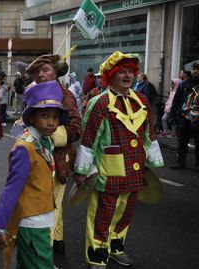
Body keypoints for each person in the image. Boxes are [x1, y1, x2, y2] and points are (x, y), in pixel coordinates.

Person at [73, 51, 164, 269]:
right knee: (103, 215)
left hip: (135, 169)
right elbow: (88, 139)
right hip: (108, 170)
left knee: (125, 213)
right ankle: (96, 256)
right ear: (110, 75)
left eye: (130, 71)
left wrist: (153, 161)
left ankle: (116, 248)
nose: (127, 75)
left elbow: (148, 133)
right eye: (121, 71)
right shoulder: (100, 102)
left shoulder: (141, 100)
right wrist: (82, 170)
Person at [0, 81, 69, 269]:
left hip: (41, 216)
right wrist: (0, 224)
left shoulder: (44, 141)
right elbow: (12, 188)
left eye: (55, 116)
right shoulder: (25, 147)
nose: (51, 122)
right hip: (32, 220)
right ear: (32, 117)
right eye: (45, 116)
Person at [24, 53, 82, 254]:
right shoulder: (33, 92)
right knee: (51, 201)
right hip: (37, 155)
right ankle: (58, 239)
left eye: (46, 69)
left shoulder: (65, 95)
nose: (41, 74)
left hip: (58, 158)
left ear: (55, 72)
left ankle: (44, 251)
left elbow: (75, 127)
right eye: (37, 71)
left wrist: (50, 133)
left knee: (49, 204)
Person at [170, 62, 199, 171]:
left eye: (198, 69)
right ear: (191, 70)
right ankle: (181, 162)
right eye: (194, 69)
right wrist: (172, 114)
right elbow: (176, 100)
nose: (196, 71)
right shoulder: (184, 83)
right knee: (182, 141)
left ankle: (198, 164)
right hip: (184, 117)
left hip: (197, 118)